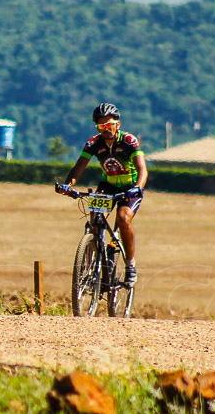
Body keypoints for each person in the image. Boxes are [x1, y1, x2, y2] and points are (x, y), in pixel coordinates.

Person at [55, 103, 147, 287]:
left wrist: (138, 187)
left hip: (129, 187)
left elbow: (142, 169)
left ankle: (130, 265)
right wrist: (67, 185)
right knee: (96, 221)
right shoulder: (93, 143)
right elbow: (77, 168)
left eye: (109, 124)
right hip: (107, 186)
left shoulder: (129, 141)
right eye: (101, 126)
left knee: (123, 218)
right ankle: (91, 265)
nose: (106, 129)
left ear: (117, 124)